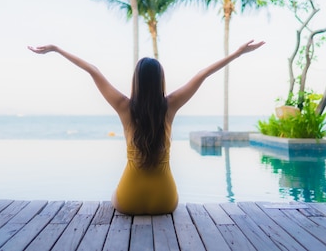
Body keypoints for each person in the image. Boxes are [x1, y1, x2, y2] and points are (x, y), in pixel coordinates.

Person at [27, 40, 265, 215]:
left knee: (113, 196)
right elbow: (203, 74)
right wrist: (237, 54)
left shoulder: (123, 107)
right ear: (161, 80)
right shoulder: (170, 107)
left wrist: (57, 49)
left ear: (136, 81)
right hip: (166, 200)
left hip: (128, 200)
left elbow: (93, 70)